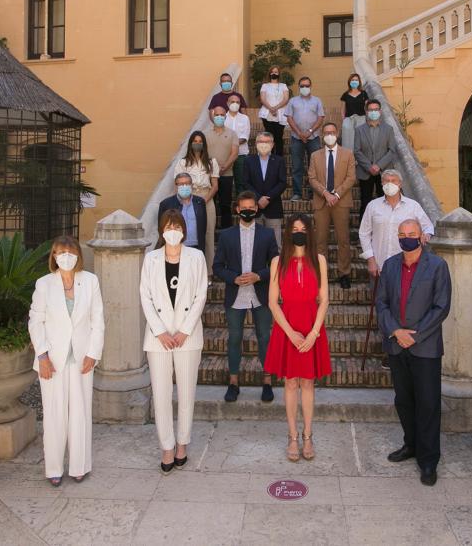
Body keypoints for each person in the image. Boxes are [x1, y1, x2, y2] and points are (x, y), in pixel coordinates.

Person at [374, 219, 451, 486]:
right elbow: (381, 303)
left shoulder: (438, 266)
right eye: (402, 234)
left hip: (425, 347)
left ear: (421, 237)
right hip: (397, 345)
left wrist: (413, 336)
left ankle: (428, 460)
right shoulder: (390, 265)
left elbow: (441, 307)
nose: (407, 238)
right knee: (404, 400)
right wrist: (396, 331)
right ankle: (411, 445)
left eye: (412, 234)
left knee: (428, 404)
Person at [28, 236, 104, 486]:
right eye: (60, 252)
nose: (66, 257)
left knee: (81, 413)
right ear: (54, 256)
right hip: (52, 360)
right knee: (54, 414)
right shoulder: (44, 284)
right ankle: (53, 469)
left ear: (78, 255)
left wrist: (93, 353)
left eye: (70, 252)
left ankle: (79, 466)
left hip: (82, 358)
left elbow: (97, 320)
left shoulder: (90, 281)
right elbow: (36, 322)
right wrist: (43, 356)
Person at [140, 209, 207, 474]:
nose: (172, 231)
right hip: (158, 338)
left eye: (177, 226)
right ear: (161, 230)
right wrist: (159, 331)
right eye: (168, 227)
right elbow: (145, 296)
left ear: (184, 230)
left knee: (187, 391)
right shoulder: (151, 259)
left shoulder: (196, 257)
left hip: (187, 336)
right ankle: (166, 445)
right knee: (161, 392)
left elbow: (201, 294)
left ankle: (182, 443)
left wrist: (184, 330)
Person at [264, 214, 332, 462]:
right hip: (287, 328)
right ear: (288, 232)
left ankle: (308, 435)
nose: (299, 232)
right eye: (295, 228)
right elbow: (273, 302)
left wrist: (313, 333)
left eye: (303, 229)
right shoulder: (277, 262)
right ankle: (292, 436)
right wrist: (290, 332)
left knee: (308, 383)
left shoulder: (320, 260)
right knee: (291, 382)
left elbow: (324, 299)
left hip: (312, 327)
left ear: (310, 232)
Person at [213, 191, 281, 403]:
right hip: (236, 296)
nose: (248, 211)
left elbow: (277, 264)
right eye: (244, 208)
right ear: (237, 210)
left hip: (260, 294)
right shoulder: (226, 235)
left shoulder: (267, 234)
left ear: (257, 208)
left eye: (252, 207)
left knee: (264, 339)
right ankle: (233, 382)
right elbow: (217, 266)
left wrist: (259, 275)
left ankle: (267, 382)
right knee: (234, 339)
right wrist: (233, 278)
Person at [358, 169, 435, 281]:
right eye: (386, 181)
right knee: (379, 297)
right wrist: (370, 260)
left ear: (400, 184)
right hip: (379, 265)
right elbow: (364, 233)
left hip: (405, 265)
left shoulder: (413, 206)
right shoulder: (372, 206)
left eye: (393, 181)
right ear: (382, 184)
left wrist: (426, 234)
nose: (390, 184)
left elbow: (428, 226)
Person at [308, 122, 356, 289]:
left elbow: (351, 178)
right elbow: (312, 178)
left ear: (337, 134)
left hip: (340, 202)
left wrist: (336, 194)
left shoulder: (348, 154)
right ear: (322, 135)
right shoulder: (315, 155)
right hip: (321, 202)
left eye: (332, 132)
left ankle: (344, 273)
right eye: (326, 132)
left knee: (343, 239)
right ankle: (322, 274)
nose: (329, 135)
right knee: (320, 240)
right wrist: (326, 194)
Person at [173, 133, 220, 266]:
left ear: (204, 144)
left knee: (208, 235)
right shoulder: (183, 163)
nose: (197, 143)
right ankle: (187, 267)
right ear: (190, 143)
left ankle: (209, 271)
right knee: (187, 233)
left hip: (207, 198)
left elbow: (215, 186)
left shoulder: (212, 162)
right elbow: (177, 185)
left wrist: (203, 201)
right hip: (187, 199)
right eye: (195, 141)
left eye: (200, 141)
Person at [353, 98, 397, 220]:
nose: (373, 112)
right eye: (371, 110)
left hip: (384, 172)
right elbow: (357, 150)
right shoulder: (359, 130)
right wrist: (369, 166)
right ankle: (364, 232)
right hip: (365, 172)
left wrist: (379, 166)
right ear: (366, 112)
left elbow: (392, 150)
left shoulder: (388, 129)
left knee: (386, 201)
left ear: (380, 111)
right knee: (365, 202)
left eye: (376, 109)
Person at [284, 75, 325, 201]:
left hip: (314, 138)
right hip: (296, 138)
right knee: (297, 166)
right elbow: (289, 117)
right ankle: (297, 193)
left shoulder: (317, 101)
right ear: (299, 87)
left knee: (316, 166)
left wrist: (309, 132)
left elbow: (320, 118)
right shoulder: (292, 101)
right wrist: (299, 133)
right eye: (302, 86)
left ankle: (315, 192)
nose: (305, 88)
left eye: (307, 85)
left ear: (310, 86)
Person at [246, 131, 287, 246]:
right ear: (256, 143)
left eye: (267, 142)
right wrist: (258, 198)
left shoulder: (279, 161)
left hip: (273, 208)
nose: (263, 144)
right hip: (254, 208)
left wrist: (268, 198)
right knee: (255, 245)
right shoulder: (249, 161)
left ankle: (274, 264)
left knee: (275, 245)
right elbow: (246, 183)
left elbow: (282, 182)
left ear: (273, 144)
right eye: (260, 141)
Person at [204, 105, 239, 231]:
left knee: (225, 204)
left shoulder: (232, 133)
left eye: (222, 115)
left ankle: (226, 232)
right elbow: (202, 154)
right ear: (213, 116)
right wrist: (212, 169)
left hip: (226, 175)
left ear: (225, 116)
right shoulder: (205, 135)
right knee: (209, 204)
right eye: (217, 115)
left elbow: (234, 153)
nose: (219, 117)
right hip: (209, 176)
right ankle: (208, 230)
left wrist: (225, 166)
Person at [258, 65, 290, 156]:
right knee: (269, 136)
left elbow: (286, 99)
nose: (274, 73)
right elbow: (263, 99)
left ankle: (279, 158)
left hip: (280, 114)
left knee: (278, 137)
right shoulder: (265, 85)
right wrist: (271, 108)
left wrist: (275, 108)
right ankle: (269, 156)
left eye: (276, 72)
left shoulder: (283, 86)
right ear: (269, 73)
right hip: (267, 114)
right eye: (272, 72)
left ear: (279, 74)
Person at [226, 94, 252, 193]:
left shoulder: (245, 118)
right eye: (232, 102)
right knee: (225, 182)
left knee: (241, 182)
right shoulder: (222, 118)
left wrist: (228, 143)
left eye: (237, 102)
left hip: (241, 155)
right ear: (227, 103)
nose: (235, 104)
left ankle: (241, 206)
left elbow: (244, 138)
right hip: (225, 155)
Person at [339, 72, 368, 148]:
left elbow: (367, 107)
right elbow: (342, 109)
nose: (354, 81)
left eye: (356, 80)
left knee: (361, 140)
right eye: (352, 80)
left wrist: (367, 119)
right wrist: (344, 120)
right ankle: (349, 158)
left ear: (359, 82)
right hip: (349, 119)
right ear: (349, 82)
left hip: (361, 119)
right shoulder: (345, 95)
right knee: (347, 141)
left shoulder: (364, 94)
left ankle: (360, 159)